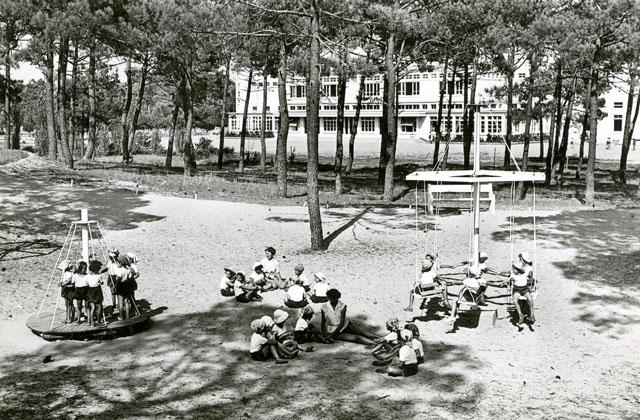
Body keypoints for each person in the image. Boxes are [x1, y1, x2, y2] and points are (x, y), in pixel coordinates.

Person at [86, 260, 105, 327]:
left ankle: (91, 321)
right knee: (99, 306)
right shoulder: (98, 276)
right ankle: (99, 321)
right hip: (97, 291)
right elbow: (102, 283)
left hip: (90, 291)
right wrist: (100, 282)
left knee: (92, 307)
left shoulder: (88, 276)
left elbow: (87, 283)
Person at [114, 254, 132, 320]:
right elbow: (127, 277)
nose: (116, 264)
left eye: (117, 262)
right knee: (126, 301)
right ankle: (127, 316)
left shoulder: (119, 270)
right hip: (126, 285)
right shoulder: (125, 270)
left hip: (120, 286)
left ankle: (121, 316)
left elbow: (118, 279)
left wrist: (115, 286)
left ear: (121, 263)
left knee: (120, 302)